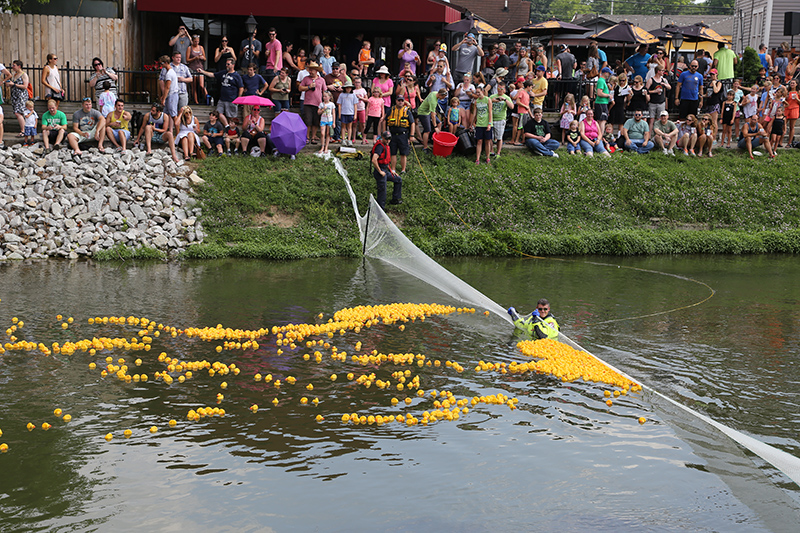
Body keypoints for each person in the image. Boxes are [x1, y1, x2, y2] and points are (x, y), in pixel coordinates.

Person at [197, 58, 244, 127]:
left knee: (231, 117)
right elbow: (213, 75)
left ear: (233, 65)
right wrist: (202, 71)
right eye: (226, 64)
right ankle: (227, 126)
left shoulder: (236, 76)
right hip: (222, 98)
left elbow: (241, 87)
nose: (226, 65)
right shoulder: (223, 72)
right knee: (218, 113)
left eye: (228, 64)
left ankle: (232, 131)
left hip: (231, 99)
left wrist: (239, 98)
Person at [371, 130, 402, 209]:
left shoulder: (387, 146)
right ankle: (380, 209)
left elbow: (386, 161)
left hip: (385, 170)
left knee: (398, 179)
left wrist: (392, 171)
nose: (388, 141)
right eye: (386, 139)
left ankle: (395, 199)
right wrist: (380, 171)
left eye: (389, 139)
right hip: (380, 171)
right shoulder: (380, 147)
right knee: (382, 191)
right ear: (382, 138)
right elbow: (374, 160)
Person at [300, 62, 327, 144]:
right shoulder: (306, 78)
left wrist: (325, 102)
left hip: (318, 103)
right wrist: (308, 87)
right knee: (308, 120)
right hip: (308, 103)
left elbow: (324, 91)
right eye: (310, 70)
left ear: (316, 71)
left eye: (312, 70)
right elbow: (300, 88)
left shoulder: (321, 80)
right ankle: (307, 137)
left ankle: (313, 137)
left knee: (316, 121)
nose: (310, 71)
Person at [386, 94, 411, 174]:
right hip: (393, 134)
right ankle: (393, 169)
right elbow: (384, 121)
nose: (400, 102)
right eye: (399, 100)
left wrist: (412, 136)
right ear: (396, 101)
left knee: (403, 153)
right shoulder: (391, 110)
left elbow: (412, 123)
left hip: (403, 135)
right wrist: (384, 132)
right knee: (393, 152)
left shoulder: (407, 111)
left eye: (402, 100)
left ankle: (403, 170)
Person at [6, 60, 30, 136]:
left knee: (18, 112)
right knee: (18, 112)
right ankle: (24, 129)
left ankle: (23, 130)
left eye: (14, 65)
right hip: (15, 95)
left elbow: (25, 86)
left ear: (19, 66)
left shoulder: (24, 74)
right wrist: (9, 84)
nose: (13, 67)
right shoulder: (15, 74)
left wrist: (14, 85)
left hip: (21, 96)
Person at [416, 87, 445, 152]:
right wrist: (435, 127)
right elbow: (433, 116)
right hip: (423, 113)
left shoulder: (434, 92)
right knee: (427, 130)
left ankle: (435, 140)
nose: (443, 99)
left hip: (428, 111)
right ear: (440, 95)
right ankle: (425, 147)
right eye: (443, 97)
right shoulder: (433, 101)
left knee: (439, 123)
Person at [490, 81, 513, 157]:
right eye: (498, 88)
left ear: (504, 89)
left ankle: (498, 153)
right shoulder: (492, 96)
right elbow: (486, 103)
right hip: (491, 119)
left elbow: (512, 107)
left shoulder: (507, 97)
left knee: (499, 137)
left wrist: (504, 100)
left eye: (501, 88)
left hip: (500, 119)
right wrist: (492, 101)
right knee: (490, 137)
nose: (499, 90)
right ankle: (491, 151)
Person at [471, 85, 493, 165]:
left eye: (479, 92)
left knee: (487, 141)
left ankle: (487, 157)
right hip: (479, 123)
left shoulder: (488, 100)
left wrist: (489, 123)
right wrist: (472, 123)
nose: (478, 94)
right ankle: (477, 158)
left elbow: (490, 112)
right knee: (479, 141)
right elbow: (475, 113)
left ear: (482, 92)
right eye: (476, 92)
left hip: (487, 123)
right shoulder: (476, 101)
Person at [646, 65, 670, 134]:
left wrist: (665, 85)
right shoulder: (651, 80)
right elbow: (646, 91)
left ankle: (658, 134)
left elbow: (669, 87)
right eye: (662, 71)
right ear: (658, 71)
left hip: (661, 102)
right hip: (652, 102)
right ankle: (649, 135)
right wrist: (654, 91)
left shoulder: (664, 80)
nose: (663, 72)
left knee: (660, 119)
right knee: (651, 120)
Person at [186, 35, 207, 104]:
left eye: (198, 41)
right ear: (192, 41)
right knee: (194, 85)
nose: (196, 43)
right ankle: (196, 101)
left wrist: (202, 58)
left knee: (201, 85)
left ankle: (206, 98)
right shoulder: (189, 48)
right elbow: (187, 60)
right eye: (195, 41)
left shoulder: (201, 47)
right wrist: (194, 58)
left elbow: (205, 58)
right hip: (192, 68)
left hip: (200, 67)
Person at [338, 80, 359, 146]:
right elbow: (339, 105)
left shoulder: (353, 95)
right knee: (343, 126)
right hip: (343, 112)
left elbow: (355, 105)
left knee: (350, 127)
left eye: (349, 88)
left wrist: (355, 114)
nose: (348, 89)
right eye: (347, 88)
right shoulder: (341, 95)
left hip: (350, 113)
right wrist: (339, 114)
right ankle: (343, 139)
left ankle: (349, 139)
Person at [594, 67, 613, 135]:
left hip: (602, 103)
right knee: (602, 121)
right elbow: (599, 93)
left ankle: (599, 136)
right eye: (608, 73)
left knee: (601, 120)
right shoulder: (601, 81)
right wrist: (608, 95)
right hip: (601, 103)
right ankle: (600, 137)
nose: (609, 75)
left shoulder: (602, 80)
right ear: (605, 73)